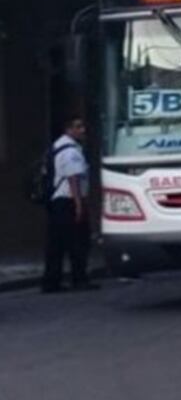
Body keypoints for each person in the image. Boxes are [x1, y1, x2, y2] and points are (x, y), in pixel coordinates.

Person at [42, 116, 98, 293]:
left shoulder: (57, 146)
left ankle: (51, 282)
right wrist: (79, 204)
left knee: (56, 244)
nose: (82, 130)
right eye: (78, 127)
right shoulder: (70, 151)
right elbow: (73, 178)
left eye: (82, 126)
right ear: (68, 129)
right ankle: (79, 278)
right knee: (78, 242)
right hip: (68, 201)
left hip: (58, 201)